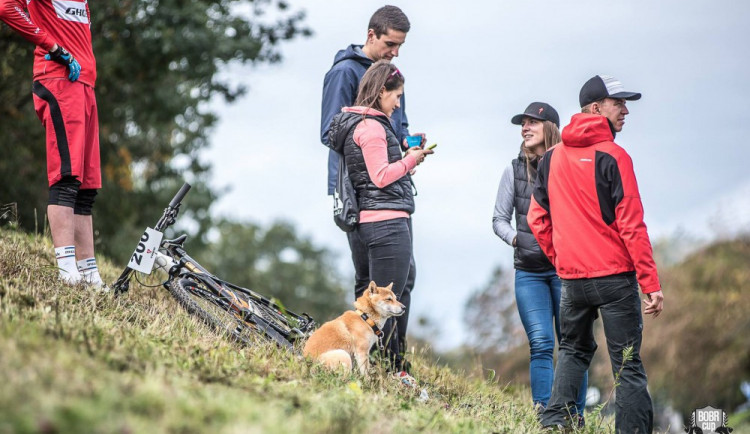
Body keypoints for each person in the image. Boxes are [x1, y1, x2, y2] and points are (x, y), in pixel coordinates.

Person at [528, 75, 665, 433]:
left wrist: (562, 260)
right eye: (617, 103)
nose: (625, 110)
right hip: (615, 279)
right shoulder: (616, 157)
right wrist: (650, 283)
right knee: (627, 364)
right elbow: (632, 226)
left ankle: (555, 424)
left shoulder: (551, 158)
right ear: (595, 108)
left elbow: (536, 218)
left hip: (573, 280)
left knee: (573, 350)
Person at [327, 60, 433, 379]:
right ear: (381, 91)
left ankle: (367, 367)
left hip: (366, 223)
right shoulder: (371, 127)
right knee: (387, 306)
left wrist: (406, 163)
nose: (398, 104)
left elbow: (374, 173)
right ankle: (390, 372)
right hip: (386, 225)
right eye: (396, 96)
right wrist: (410, 159)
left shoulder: (359, 124)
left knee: (368, 299)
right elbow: (381, 176)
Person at [492, 102, 587, 417]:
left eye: (532, 122)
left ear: (550, 129)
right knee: (542, 342)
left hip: (566, 272)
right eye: (523, 124)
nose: (525, 128)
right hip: (529, 273)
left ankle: (576, 414)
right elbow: (499, 220)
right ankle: (545, 411)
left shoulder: (569, 165)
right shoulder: (513, 169)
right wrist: (516, 238)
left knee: (572, 344)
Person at [0, 0, 104, 287]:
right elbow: (6, 7)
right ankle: (67, 269)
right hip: (58, 81)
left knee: (87, 188)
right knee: (67, 178)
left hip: (85, 85)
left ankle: (89, 273)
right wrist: (54, 48)